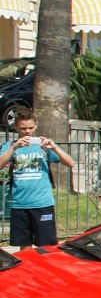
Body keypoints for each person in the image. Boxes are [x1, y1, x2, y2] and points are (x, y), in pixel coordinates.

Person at [0, 106, 75, 249]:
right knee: (24, 248)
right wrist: (14, 148)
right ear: (16, 127)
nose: (27, 131)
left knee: (46, 247)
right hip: (19, 204)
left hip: (42, 204)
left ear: (36, 125)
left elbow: (70, 163)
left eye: (30, 128)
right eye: (23, 128)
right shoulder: (10, 146)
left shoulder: (43, 147)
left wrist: (54, 147)